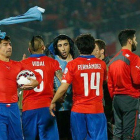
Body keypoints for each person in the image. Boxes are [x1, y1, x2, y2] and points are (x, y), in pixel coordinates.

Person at [49, 34, 108, 140]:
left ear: (78, 47)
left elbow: (63, 87)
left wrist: (53, 101)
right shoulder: (102, 64)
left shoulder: (72, 64)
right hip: (96, 110)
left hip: (78, 110)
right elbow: (104, 82)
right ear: (93, 47)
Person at [0, 35, 41, 140]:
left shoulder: (18, 65)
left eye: (10, 44)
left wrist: (35, 83)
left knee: (17, 137)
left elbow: (37, 77)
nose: (9, 47)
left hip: (14, 108)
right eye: (5, 44)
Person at [21, 35, 62, 140]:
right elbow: (63, 82)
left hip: (29, 108)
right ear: (43, 47)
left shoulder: (22, 64)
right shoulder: (53, 62)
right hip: (47, 107)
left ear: (29, 49)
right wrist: (59, 98)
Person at [108, 29, 140, 140]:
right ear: (130, 41)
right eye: (135, 39)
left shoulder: (112, 61)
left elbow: (110, 85)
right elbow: (137, 80)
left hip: (116, 100)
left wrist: (115, 97)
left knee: (117, 132)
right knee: (130, 134)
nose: (136, 41)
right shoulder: (134, 58)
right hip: (130, 99)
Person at [47, 34, 78, 140]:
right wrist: (54, 93)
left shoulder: (77, 61)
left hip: (76, 107)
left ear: (70, 45)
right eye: (60, 45)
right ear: (56, 47)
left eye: (65, 44)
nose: (63, 48)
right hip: (60, 108)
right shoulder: (53, 62)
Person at [92, 39, 114, 139]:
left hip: (108, 104)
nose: (92, 52)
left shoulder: (109, 64)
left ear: (102, 51)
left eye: (95, 49)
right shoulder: (92, 66)